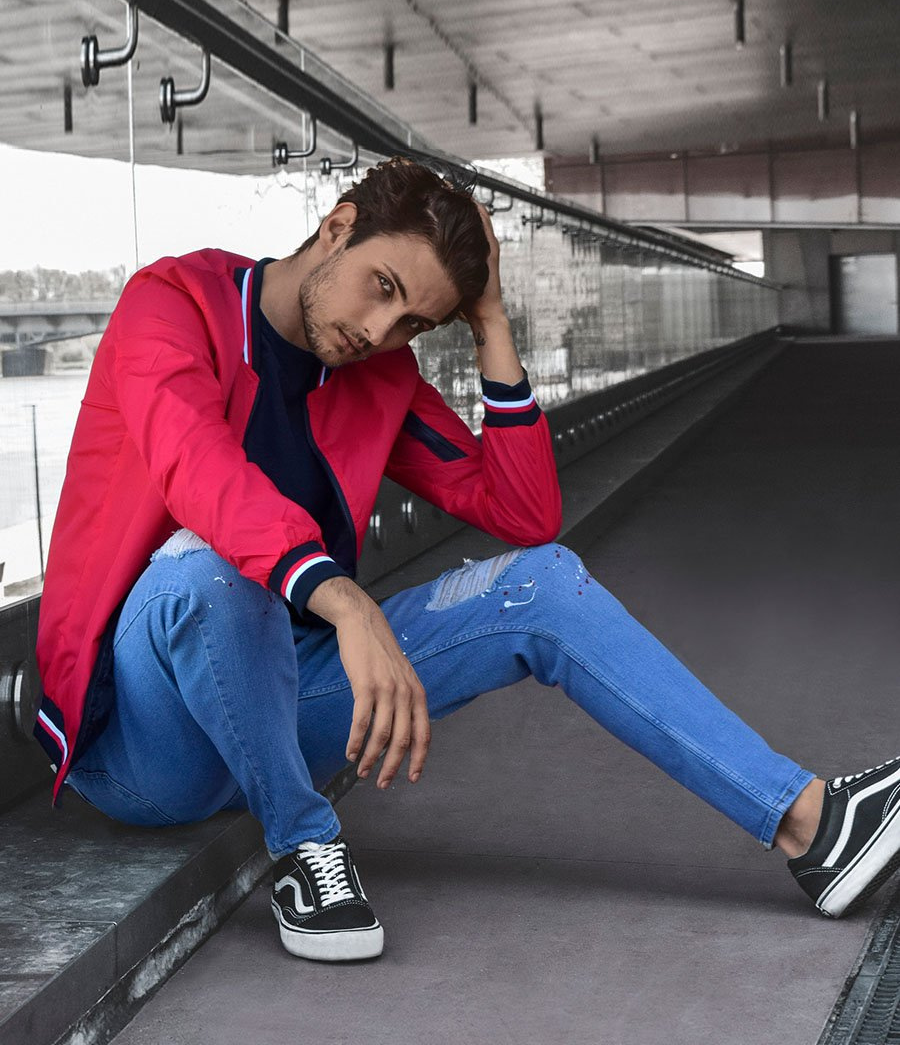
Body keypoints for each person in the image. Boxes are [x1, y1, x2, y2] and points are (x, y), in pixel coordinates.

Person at [34, 157, 900, 963]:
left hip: (282, 701)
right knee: (208, 567)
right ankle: (306, 849)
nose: (380, 331)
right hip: (146, 744)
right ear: (337, 229)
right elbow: (200, 470)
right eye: (383, 287)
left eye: (414, 320)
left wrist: (489, 318)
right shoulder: (174, 305)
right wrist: (344, 600)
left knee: (543, 582)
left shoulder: (379, 375)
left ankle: (812, 825)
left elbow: (523, 512)